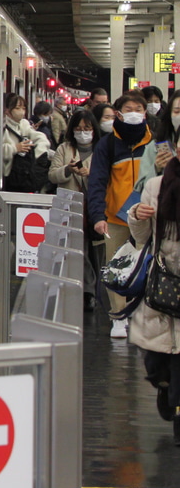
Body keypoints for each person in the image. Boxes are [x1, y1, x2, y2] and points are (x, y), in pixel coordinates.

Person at [88, 90, 153, 337]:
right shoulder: (108, 145)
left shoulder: (154, 143)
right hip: (116, 218)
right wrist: (98, 216)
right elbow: (97, 182)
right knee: (115, 266)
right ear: (118, 114)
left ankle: (144, 311)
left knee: (148, 265)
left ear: (145, 113)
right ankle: (119, 316)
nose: (134, 114)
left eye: (138, 109)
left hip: (148, 217)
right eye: (129, 109)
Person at [126, 158, 180, 441]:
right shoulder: (156, 186)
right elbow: (140, 236)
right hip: (163, 280)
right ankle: (164, 386)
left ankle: (176, 405)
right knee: (158, 358)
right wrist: (136, 215)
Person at [0, 93, 50, 192]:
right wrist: (15, 148)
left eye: (23, 108)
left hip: (23, 176)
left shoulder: (24, 124)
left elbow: (41, 138)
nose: (22, 112)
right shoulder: (0, 127)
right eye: (17, 108)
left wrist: (36, 156)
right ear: (6, 110)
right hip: (6, 176)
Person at [48, 108, 97, 194]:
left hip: (93, 201)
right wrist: (68, 169)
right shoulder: (63, 148)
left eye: (87, 128)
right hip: (68, 201)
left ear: (94, 130)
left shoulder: (101, 149)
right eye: (78, 129)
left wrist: (91, 173)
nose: (82, 132)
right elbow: (52, 175)